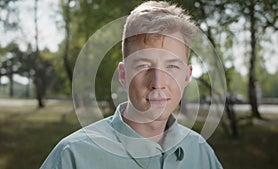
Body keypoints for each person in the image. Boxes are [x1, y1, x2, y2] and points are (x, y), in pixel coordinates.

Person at [40, 1, 223, 169]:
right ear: (123, 75)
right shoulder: (72, 156)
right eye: (143, 66)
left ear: (187, 76)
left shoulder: (201, 153)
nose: (158, 83)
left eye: (172, 66)